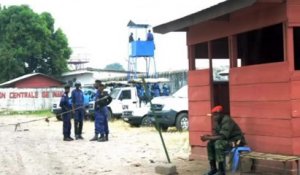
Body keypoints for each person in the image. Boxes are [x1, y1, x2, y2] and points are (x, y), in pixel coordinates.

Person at [201, 105, 246, 175]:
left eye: (216, 115)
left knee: (218, 143)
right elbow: (216, 135)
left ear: (221, 114)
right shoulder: (217, 121)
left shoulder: (227, 120)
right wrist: (208, 137)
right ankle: (213, 168)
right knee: (210, 143)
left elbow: (222, 136)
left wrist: (208, 138)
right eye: (213, 115)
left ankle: (221, 171)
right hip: (227, 140)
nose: (214, 117)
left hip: (237, 141)